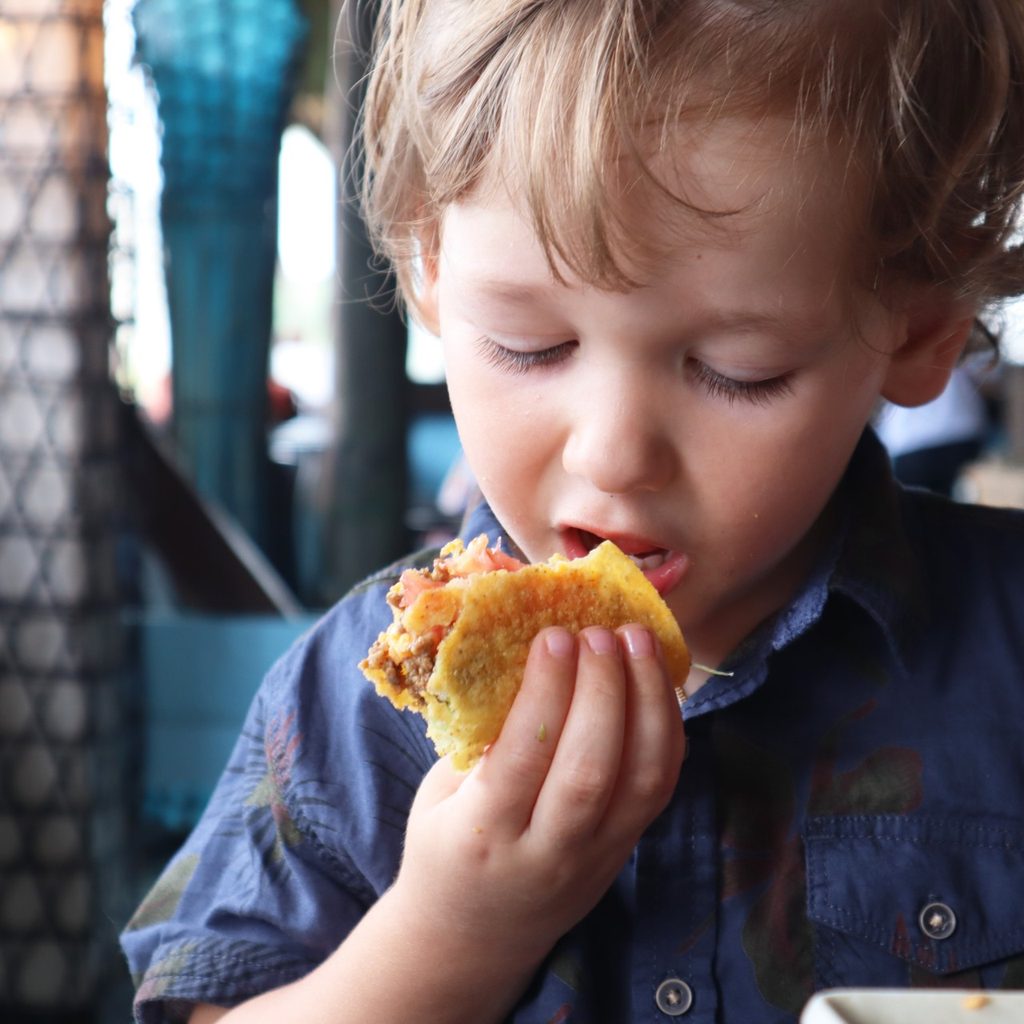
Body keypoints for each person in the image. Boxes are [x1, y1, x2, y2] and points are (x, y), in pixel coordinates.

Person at [120, 3, 1024, 1022]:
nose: (611, 452)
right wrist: (455, 928)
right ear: (427, 275)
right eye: (529, 345)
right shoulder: (355, 704)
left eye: (738, 370)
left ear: (917, 329)